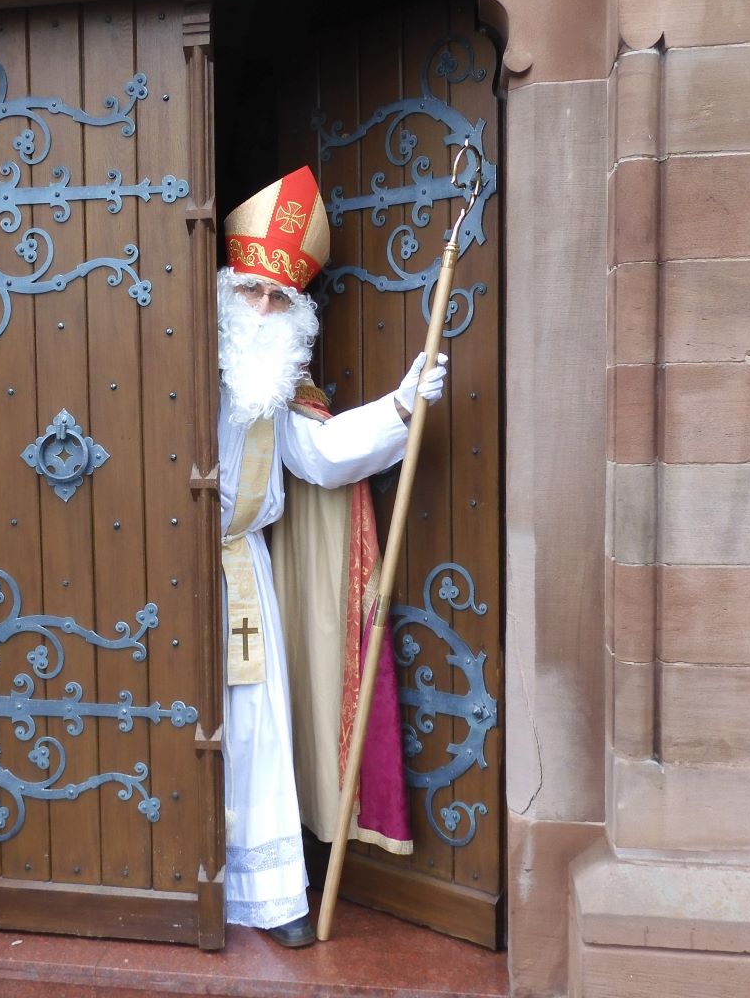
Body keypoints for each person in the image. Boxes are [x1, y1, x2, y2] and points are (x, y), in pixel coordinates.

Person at [218, 167, 447, 947]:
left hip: (241, 573)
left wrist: (399, 404)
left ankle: (267, 894)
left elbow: (320, 457)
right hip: (161, 572)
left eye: (278, 299)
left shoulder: (278, 385)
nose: (261, 310)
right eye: (250, 291)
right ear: (223, 290)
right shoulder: (171, 364)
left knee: (252, 728)